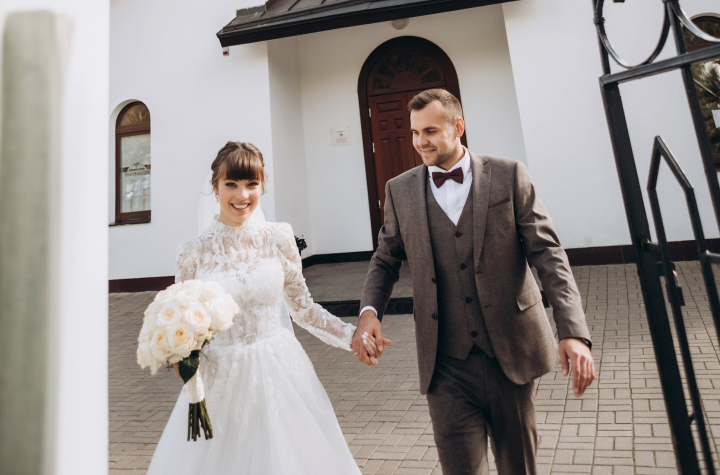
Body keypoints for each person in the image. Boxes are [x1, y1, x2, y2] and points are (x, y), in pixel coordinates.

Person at [353, 88, 595, 475]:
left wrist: (573, 332)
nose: (420, 142)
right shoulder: (399, 190)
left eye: (429, 131)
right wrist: (368, 314)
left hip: (510, 354)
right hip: (445, 363)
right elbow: (385, 259)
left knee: (520, 467)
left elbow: (548, 254)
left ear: (458, 127)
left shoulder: (508, 174)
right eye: (415, 133)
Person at [146, 141, 361, 475]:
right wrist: (179, 355)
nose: (242, 195)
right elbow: (185, 319)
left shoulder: (279, 237)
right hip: (220, 378)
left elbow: (303, 308)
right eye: (231, 184)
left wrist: (353, 336)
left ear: (262, 186)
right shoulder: (193, 251)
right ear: (215, 187)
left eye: (251, 184)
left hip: (279, 370)